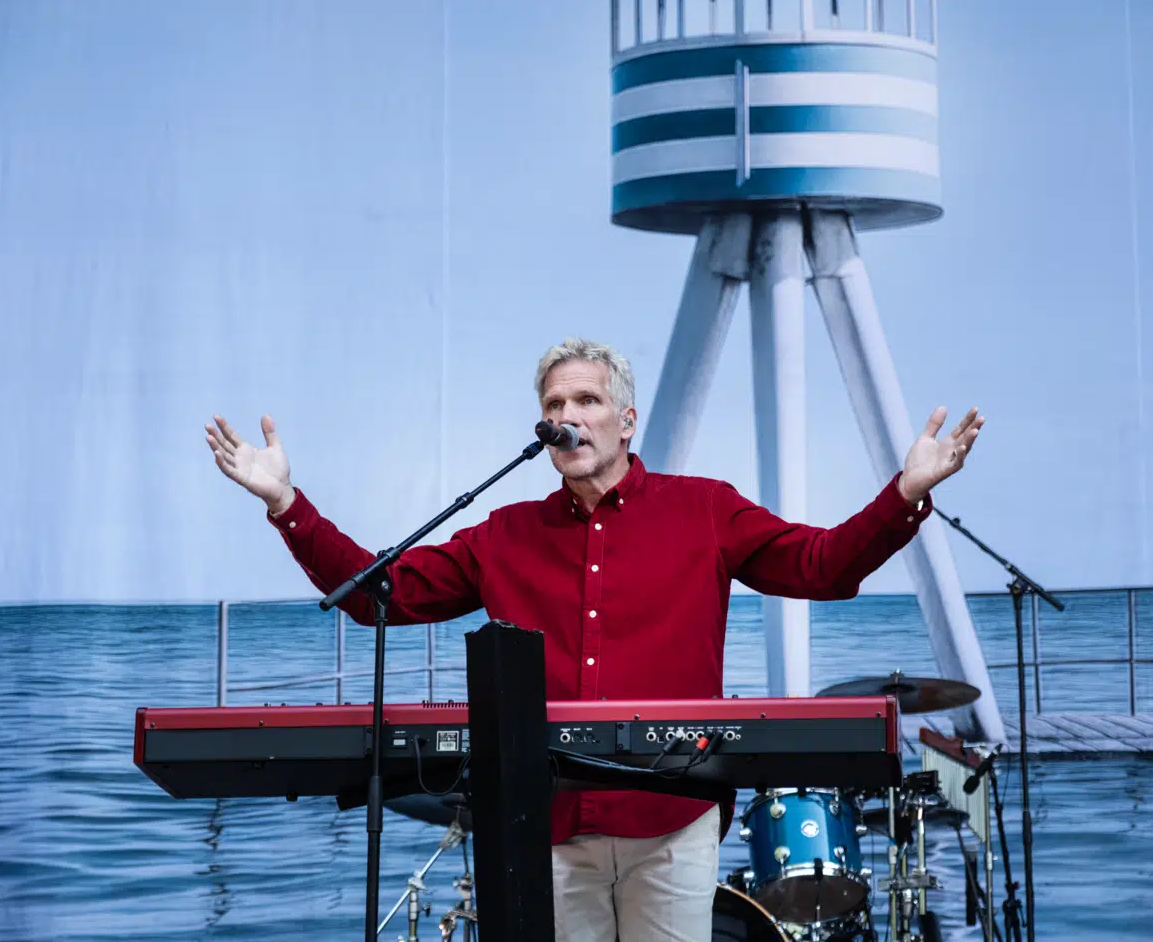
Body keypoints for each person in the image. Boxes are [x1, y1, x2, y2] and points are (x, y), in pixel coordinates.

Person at [205, 337, 984, 942]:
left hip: (671, 821)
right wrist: (286, 504)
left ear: (626, 419)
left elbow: (822, 565)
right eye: (554, 402)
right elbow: (384, 597)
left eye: (586, 397)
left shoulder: (705, 510)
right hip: (547, 826)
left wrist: (906, 493)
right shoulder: (503, 534)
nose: (566, 413)